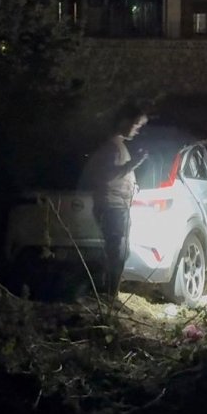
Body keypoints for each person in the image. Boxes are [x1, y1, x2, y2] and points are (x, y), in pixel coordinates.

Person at [78, 103, 149, 300]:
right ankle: (110, 298)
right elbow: (107, 176)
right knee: (116, 252)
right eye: (136, 125)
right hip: (112, 206)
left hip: (117, 205)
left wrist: (131, 185)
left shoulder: (117, 146)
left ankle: (109, 295)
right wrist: (134, 162)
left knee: (118, 251)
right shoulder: (112, 148)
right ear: (124, 121)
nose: (137, 130)